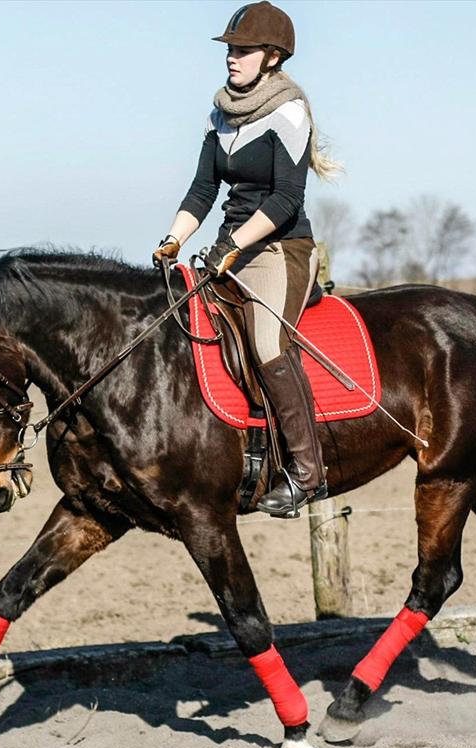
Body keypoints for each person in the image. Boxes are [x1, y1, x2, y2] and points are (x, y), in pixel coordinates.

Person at [152, 1, 343, 517]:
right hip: (227, 249)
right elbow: (201, 190)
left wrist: (235, 247)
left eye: (243, 50)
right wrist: (173, 238)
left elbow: (286, 200)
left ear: (273, 57)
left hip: (279, 247)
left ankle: (308, 471)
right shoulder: (219, 112)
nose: (231, 59)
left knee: (265, 343)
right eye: (230, 50)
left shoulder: (289, 111)